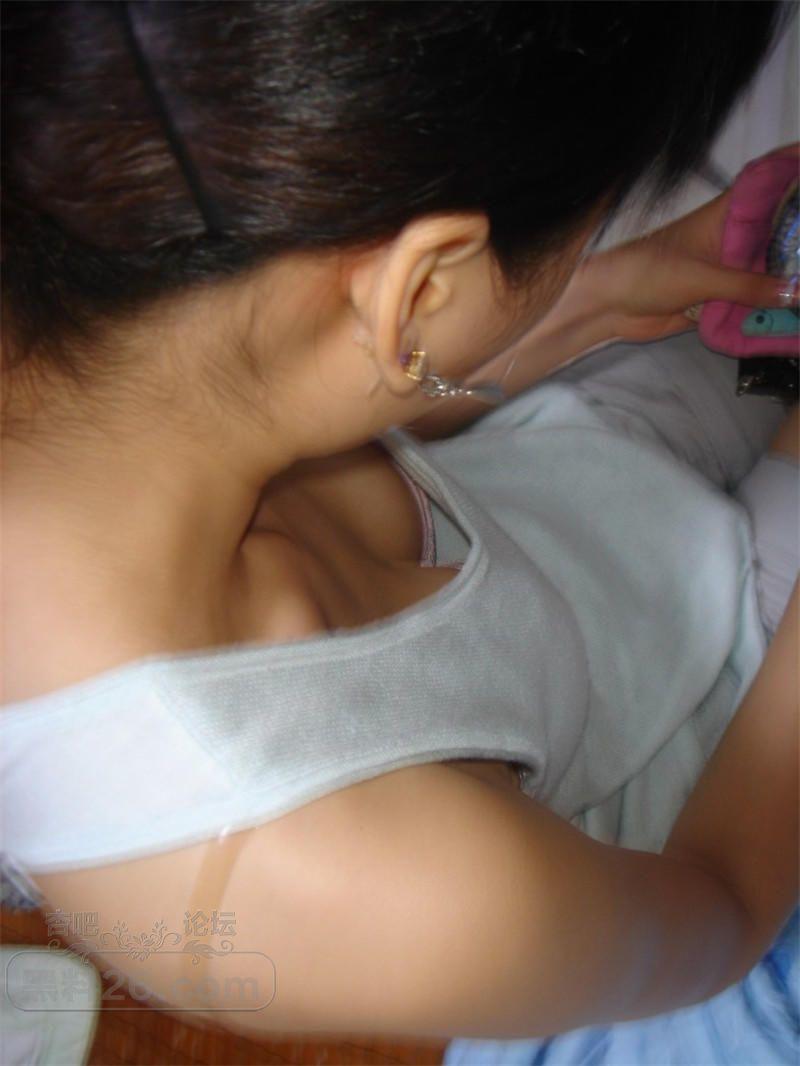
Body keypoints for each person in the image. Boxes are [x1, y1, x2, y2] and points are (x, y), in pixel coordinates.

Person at [1, 0, 797, 1055]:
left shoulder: (86, 316)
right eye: (587, 225)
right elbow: (726, 904)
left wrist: (595, 301)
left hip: (573, 483)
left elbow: (305, 372)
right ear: (419, 284)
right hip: (716, 756)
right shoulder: (356, 888)